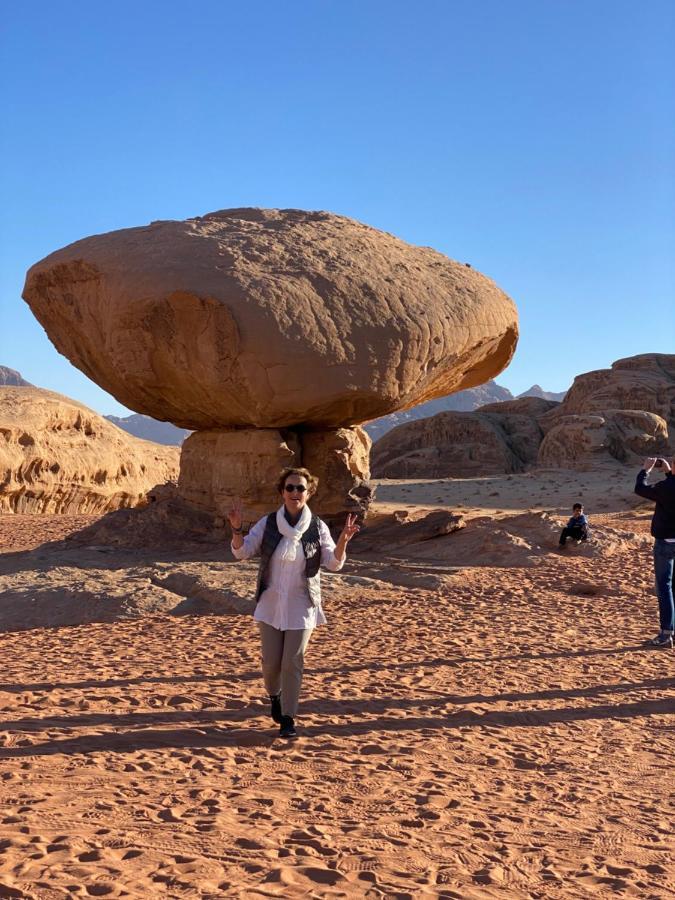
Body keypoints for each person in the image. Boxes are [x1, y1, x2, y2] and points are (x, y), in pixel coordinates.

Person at [228, 467, 360, 738]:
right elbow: (242, 552)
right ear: (282, 492)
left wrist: (343, 541)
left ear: (308, 493)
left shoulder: (317, 527)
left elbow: (333, 563)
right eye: (290, 488)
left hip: (303, 604)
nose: (295, 493)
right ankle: (274, 696)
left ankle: (288, 718)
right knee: (271, 664)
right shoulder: (268, 523)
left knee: (293, 661)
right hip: (270, 603)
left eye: (300, 488)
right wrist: (237, 529)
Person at [634, 456, 675, 649]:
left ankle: (666, 633)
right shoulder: (668, 484)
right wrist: (668, 473)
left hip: (665, 543)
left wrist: (646, 469)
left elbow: (640, 488)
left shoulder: (665, 488)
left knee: (664, 587)